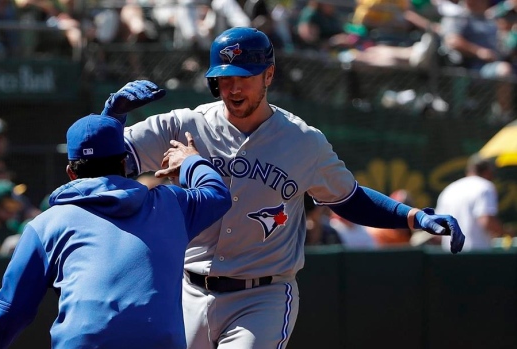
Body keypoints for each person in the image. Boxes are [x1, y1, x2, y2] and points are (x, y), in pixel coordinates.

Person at [98, 27, 466, 348]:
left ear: (269, 74)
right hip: (188, 289)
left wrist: (414, 217)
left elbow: (349, 198)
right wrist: (109, 120)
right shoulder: (183, 125)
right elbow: (103, 162)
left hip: (261, 297)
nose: (234, 87)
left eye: (245, 76)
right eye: (225, 78)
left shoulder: (303, 141)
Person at [0, 114, 232, 348]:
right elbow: (218, 195)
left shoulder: (46, 225)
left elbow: (10, 311)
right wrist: (190, 161)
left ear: (70, 172)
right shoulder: (170, 203)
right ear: (125, 164)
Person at [435, 153, 508, 251]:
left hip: (449, 257)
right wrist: (505, 233)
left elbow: (438, 228)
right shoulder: (485, 187)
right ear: (487, 172)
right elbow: (486, 221)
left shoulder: (449, 189)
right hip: (476, 256)